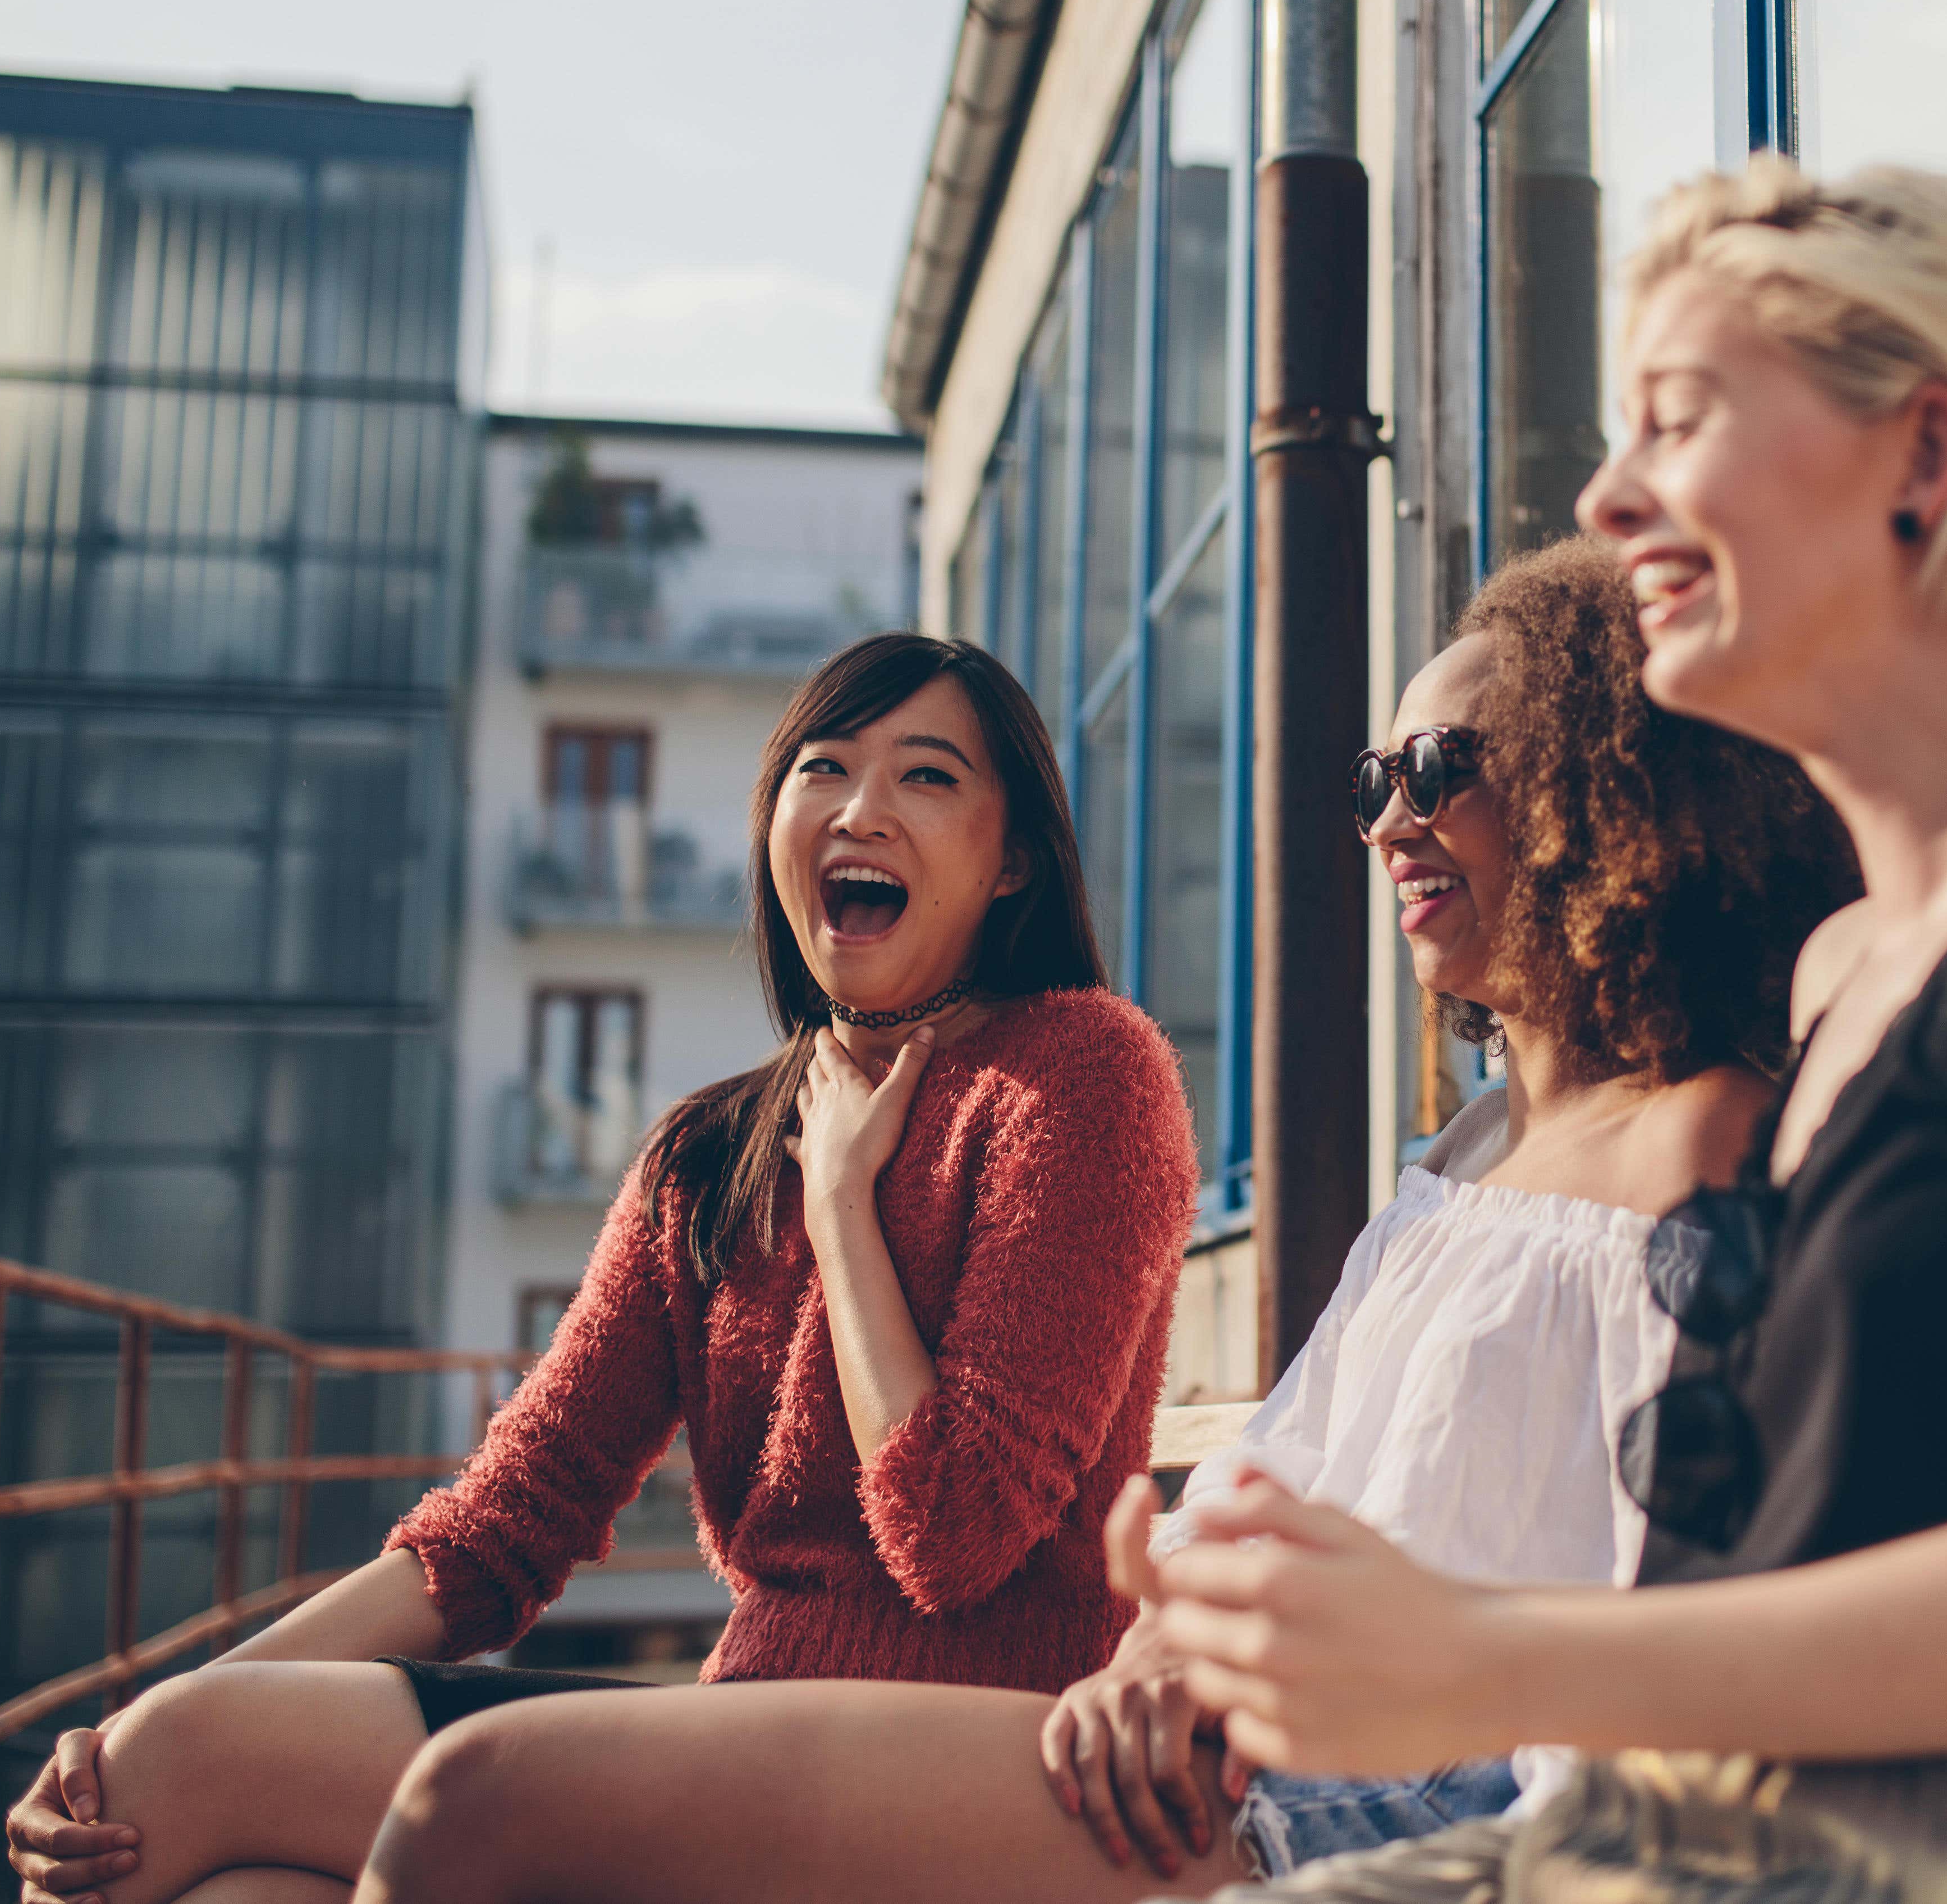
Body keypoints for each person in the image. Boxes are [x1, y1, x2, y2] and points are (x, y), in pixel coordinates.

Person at [1123, 154, 1947, 1904]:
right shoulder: (1850, 970)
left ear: (1928, 453)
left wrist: (1487, 1652)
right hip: (1676, 1841)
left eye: (1676, 423)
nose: (1611, 503)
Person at [332, 534, 1862, 1904]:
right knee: (218, 1809)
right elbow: (1280, 1482)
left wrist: (845, 1209)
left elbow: (1676, 1623)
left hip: (1347, 1794)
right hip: (1193, 1749)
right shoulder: (1461, 1156)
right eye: (1367, 780)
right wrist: (1164, 1652)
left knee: (478, 1804)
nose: (1389, 819)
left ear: (1601, 785)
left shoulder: (1701, 1144)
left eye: (1440, 762)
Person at [2, 634, 1196, 1904]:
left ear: (1010, 860)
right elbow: (506, 1523)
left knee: (183, 1761)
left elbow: (949, 1535)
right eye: (825, 768)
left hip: (969, 1768)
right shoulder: (710, 1157)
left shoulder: (1080, 1077)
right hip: (740, 1740)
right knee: (165, 1814)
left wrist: (842, 1197)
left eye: (928, 778)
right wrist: (150, 1720)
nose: (861, 810)